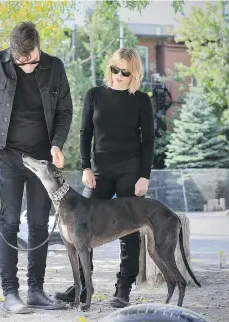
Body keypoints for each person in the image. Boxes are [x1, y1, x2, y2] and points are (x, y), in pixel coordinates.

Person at [0, 22, 73, 314]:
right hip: (6, 157)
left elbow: (65, 111)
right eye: (19, 61)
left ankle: (36, 291)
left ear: (38, 48)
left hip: (43, 161)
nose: (25, 65)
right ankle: (10, 292)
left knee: (40, 224)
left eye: (30, 59)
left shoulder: (55, 66)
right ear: (12, 52)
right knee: (8, 223)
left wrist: (57, 144)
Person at [55, 47, 155, 308]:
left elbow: (148, 143)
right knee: (79, 225)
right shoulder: (95, 95)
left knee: (129, 231)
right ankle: (83, 287)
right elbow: (85, 132)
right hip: (99, 171)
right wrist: (86, 167)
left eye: (125, 72)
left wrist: (144, 176)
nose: (119, 76)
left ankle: (123, 289)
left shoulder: (142, 100)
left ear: (133, 74)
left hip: (130, 172)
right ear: (109, 67)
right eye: (115, 69)